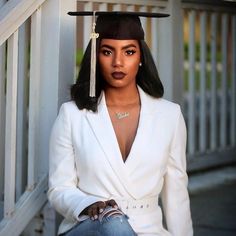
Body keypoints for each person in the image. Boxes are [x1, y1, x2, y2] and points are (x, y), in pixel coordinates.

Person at [48, 11, 193, 236]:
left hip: (149, 231)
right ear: (96, 57)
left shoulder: (170, 115)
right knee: (114, 224)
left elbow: (177, 194)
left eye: (129, 51)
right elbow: (59, 189)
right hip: (89, 227)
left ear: (141, 57)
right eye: (107, 52)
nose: (118, 62)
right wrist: (86, 204)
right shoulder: (72, 115)